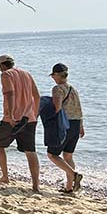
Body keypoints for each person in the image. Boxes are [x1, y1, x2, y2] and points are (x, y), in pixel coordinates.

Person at [0, 54, 41, 191]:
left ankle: (5, 176)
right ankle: (35, 186)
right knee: (30, 151)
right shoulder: (27, 74)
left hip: (12, 118)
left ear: (2, 66)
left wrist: (12, 115)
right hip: (30, 117)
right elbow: (37, 96)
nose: (0, 70)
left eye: (0, 68)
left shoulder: (6, 75)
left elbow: (10, 94)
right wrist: (35, 114)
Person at [45, 63, 85, 193]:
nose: (53, 78)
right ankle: (69, 187)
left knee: (52, 154)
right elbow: (79, 108)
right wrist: (81, 126)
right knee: (68, 156)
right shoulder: (73, 89)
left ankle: (74, 175)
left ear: (57, 75)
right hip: (75, 124)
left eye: (53, 76)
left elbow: (57, 108)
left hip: (64, 125)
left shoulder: (57, 89)